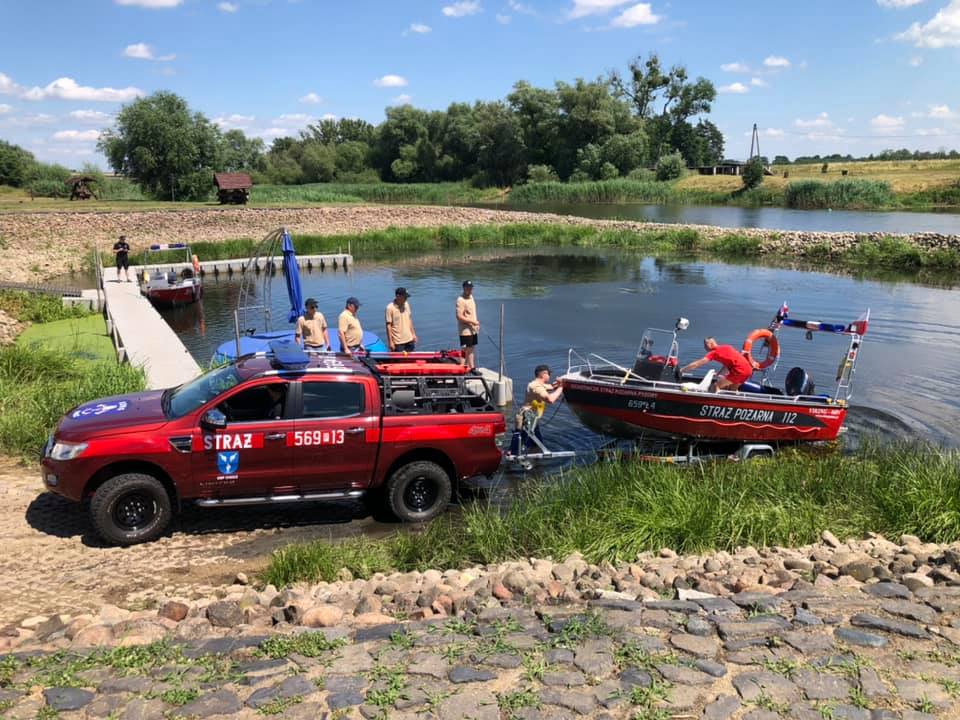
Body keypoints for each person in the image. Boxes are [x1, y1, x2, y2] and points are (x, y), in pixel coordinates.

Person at [512, 364, 563, 454]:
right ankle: (514, 460)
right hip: (527, 419)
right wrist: (561, 387)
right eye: (549, 374)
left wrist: (559, 384)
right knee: (520, 446)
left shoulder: (539, 385)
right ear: (543, 374)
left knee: (535, 445)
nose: (550, 376)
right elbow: (550, 400)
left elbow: (551, 386)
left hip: (532, 420)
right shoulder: (535, 386)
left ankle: (535, 464)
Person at [679, 336, 754, 391]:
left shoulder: (714, 353)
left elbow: (697, 364)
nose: (704, 347)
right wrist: (719, 374)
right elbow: (727, 364)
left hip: (739, 371)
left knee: (715, 386)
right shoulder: (727, 347)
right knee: (732, 389)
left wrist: (682, 370)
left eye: (705, 345)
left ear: (711, 344)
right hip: (748, 371)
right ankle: (737, 406)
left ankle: (713, 405)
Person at [385, 287, 417, 352]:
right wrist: (390, 342)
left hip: (409, 339)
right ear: (398, 296)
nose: (406, 299)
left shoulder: (406, 304)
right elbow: (388, 326)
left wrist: (413, 334)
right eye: (405, 297)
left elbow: (409, 319)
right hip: (398, 342)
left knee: (411, 360)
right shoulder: (389, 308)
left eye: (406, 297)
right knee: (399, 361)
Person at [456, 280, 479, 368]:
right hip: (465, 331)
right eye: (467, 288)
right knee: (464, 349)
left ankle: (472, 368)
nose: (469, 290)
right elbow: (459, 317)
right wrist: (473, 322)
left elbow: (472, 313)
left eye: (470, 288)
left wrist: (476, 324)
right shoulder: (460, 300)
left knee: (472, 348)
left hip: (473, 330)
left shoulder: (471, 297)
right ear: (464, 288)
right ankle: (462, 367)